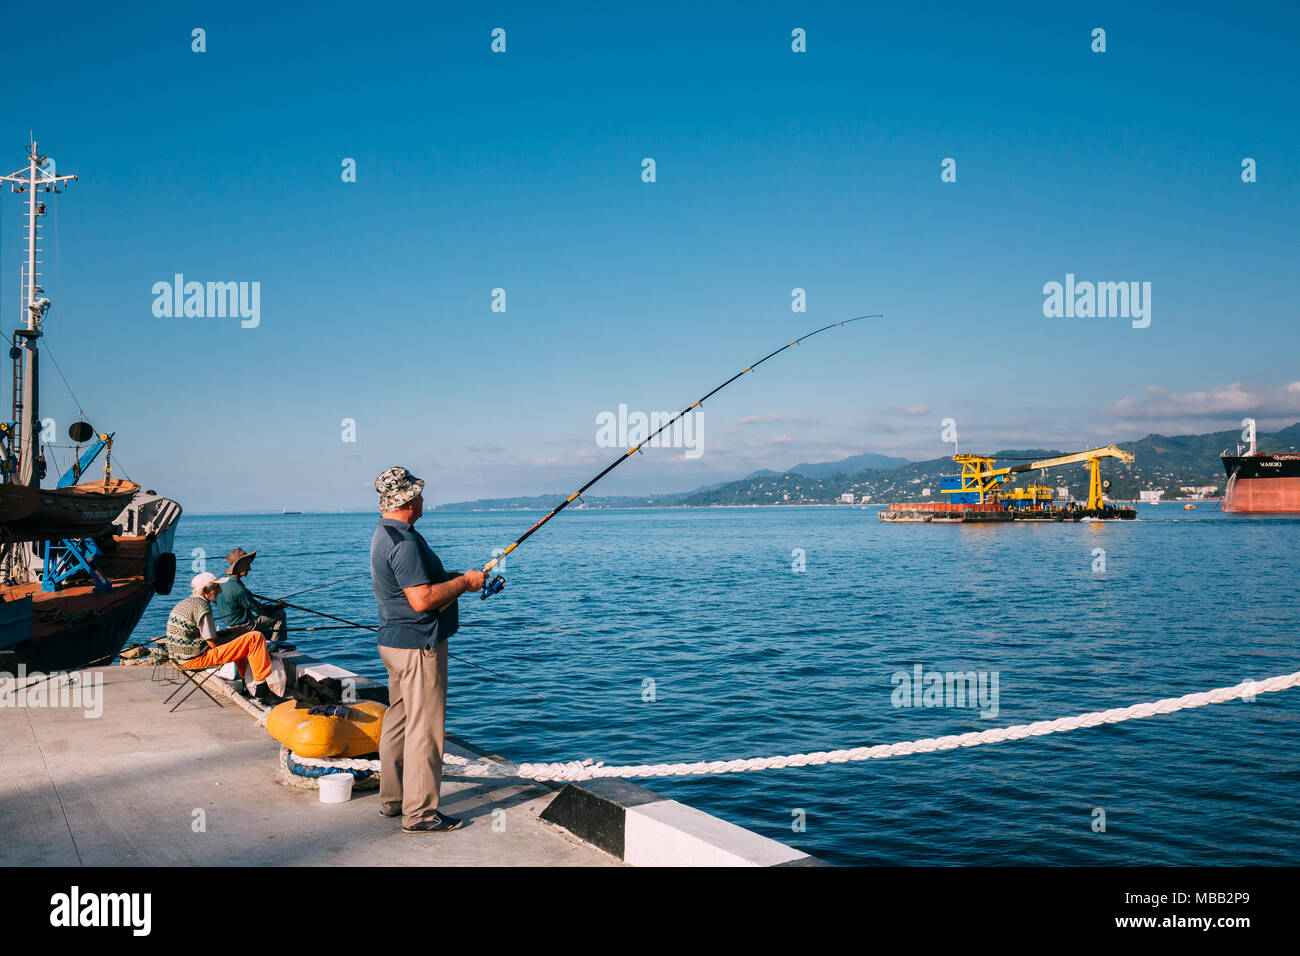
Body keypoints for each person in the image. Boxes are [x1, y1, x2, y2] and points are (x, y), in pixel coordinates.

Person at [370, 466, 484, 833]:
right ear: (406, 500)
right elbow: (421, 600)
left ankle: (392, 800)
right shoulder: (403, 543)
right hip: (420, 648)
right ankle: (419, 814)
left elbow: (417, 583)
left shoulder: (385, 534)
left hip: (394, 645)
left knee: (399, 721)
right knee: (425, 730)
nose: (422, 499)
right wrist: (465, 583)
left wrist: (452, 578)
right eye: (417, 494)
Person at [167, 572, 288, 705]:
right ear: (205, 591)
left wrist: (234, 632)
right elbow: (213, 644)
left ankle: (246, 685)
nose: (220, 591)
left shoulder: (186, 603)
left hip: (181, 657)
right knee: (255, 637)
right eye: (217, 588)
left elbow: (205, 636)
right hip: (196, 659)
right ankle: (262, 691)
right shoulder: (202, 608)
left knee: (241, 637)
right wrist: (233, 636)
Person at [213, 547, 288, 645]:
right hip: (244, 626)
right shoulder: (239, 590)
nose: (249, 568)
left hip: (228, 624)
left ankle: (265, 641)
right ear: (239, 566)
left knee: (265, 625)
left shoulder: (220, 579)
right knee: (280, 614)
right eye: (247, 565)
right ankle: (276, 646)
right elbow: (260, 610)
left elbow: (216, 600)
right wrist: (278, 606)